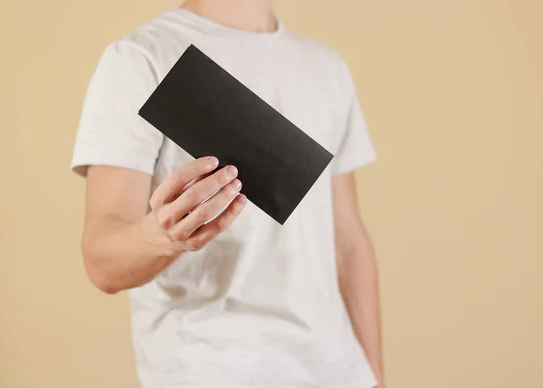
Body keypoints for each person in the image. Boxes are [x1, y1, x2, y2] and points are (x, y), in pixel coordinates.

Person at [70, 1, 385, 387]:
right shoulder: (141, 58)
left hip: (337, 372)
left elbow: (348, 243)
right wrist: (163, 236)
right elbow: (100, 260)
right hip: (214, 371)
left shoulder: (327, 68)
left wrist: (374, 375)